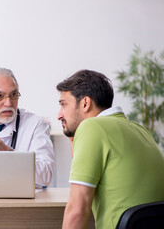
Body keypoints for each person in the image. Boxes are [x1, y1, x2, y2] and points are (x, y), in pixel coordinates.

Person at [56, 69, 164, 228]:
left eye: (63, 104)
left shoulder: (92, 127)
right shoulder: (140, 130)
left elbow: (77, 210)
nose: (59, 115)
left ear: (85, 103)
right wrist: (74, 138)